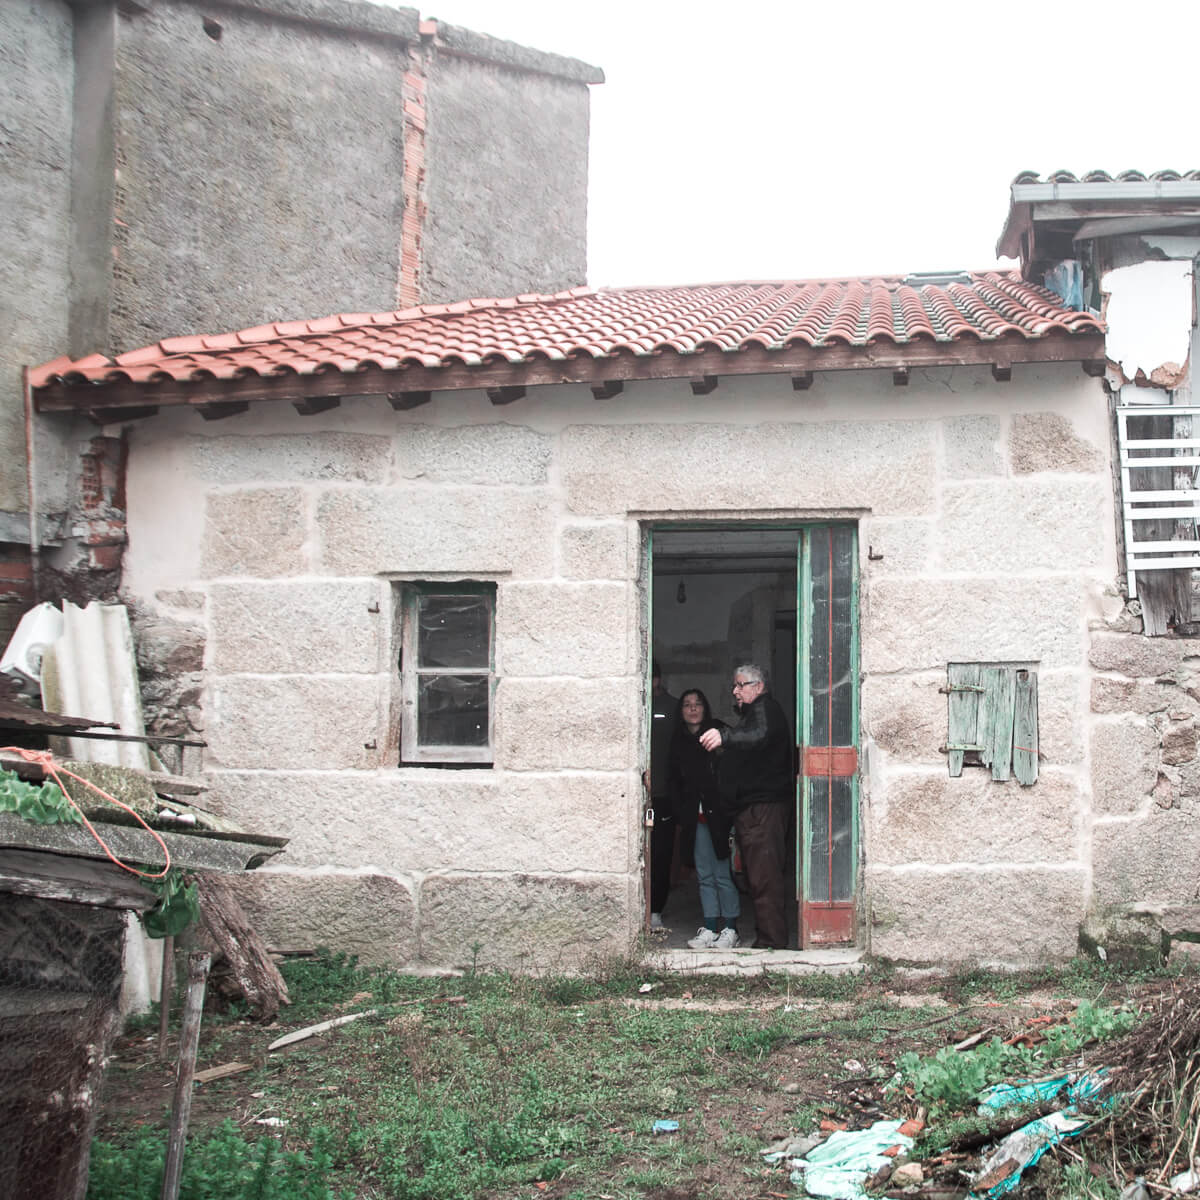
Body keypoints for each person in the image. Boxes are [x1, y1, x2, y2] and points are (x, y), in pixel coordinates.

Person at [699, 664, 793, 949]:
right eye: (734, 685)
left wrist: (724, 737)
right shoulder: (755, 712)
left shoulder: (765, 709)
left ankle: (771, 943)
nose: (735, 691)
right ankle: (768, 938)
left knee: (764, 877)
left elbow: (759, 734)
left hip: (764, 809)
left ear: (758, 686)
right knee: (758, 875)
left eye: (741, 685)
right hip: (756, 809)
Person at [668, 688, 741, 950]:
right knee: (704, 875)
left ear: (705, 708)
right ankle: (710, 927)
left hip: (719, 817)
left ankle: (730, 928)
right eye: (687, 704)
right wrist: (680, 812)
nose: (693, 708)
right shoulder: (678, 740)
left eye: (698, 703)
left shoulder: (718, 733)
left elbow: (732, 775)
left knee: (723, 874)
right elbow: (674, 781)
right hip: (693, 819)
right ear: (681, 711)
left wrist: (729, 808)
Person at [643, 660, 677, 931]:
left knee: (661, 855)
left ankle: (656, 910)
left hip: (664, 794)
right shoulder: (634, 703)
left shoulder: (672, 707)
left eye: (652, 677)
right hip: (634, 794)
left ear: (658, 679)